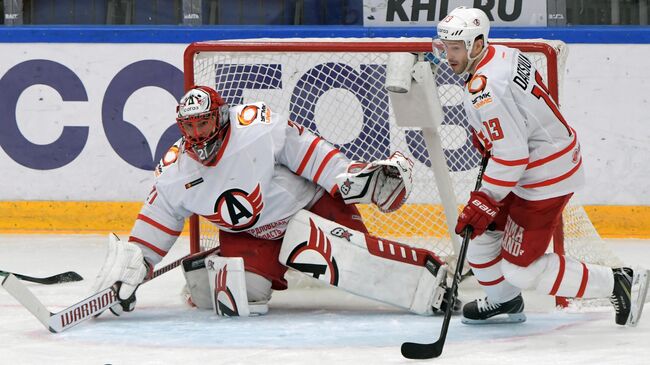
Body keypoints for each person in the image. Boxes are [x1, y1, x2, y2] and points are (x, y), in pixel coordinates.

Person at [91, 85, 450, 317]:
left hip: (310, 208)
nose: (198, 135)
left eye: (204, 123)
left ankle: (432, 280)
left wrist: (351, 178)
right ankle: (212, 267)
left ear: (221, 115)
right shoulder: (175, 171)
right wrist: (133, 268)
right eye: (190, 128)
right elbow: (155, 223)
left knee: (351, 259)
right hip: (250, 236)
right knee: (239, 301)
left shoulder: (256, 127)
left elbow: (308, 153)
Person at [436, 6, 648, 326]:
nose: (448, 55)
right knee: (479, 237)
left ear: (477, 44)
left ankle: (618, 281)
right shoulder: (503, 53)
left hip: (544, 175)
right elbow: (513, 133)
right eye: (446, 46)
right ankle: (504, 301)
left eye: (455, 47)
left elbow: (512, 154)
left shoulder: (485, 89)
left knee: (521, 269)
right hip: (534, 165)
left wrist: (487, 197)